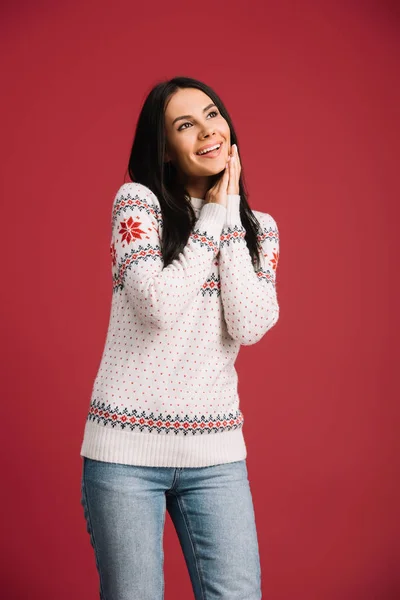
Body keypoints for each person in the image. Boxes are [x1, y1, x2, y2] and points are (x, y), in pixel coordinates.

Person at [79, 75, 280, 600]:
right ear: (165, 150)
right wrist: (213, 215)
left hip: (216, 457)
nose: (208, 131)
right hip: (124, 456)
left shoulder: (261, 229)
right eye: (185, 125)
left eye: (213, 115)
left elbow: (250, 324)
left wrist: (230, 216)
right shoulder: (137, 206)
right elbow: (161, 305)